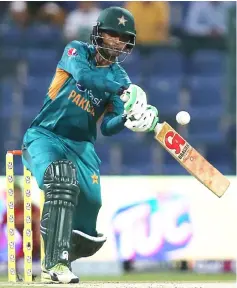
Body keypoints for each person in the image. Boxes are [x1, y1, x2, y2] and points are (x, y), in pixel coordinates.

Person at [22, 6, 159, 284]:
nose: (117, 41)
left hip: (82, 146)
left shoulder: (121, 78)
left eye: (123, 37)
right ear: (98, 33)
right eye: (111, 34)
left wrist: (128, 117)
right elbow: (84, 77)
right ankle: (54, 265)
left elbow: (108, 128)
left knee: (91, 206)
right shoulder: (75, 51)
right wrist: (123, 91)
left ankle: (63, 256)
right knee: (61, 178)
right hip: (45, 135)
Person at [2, 184, 41, 261]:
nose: (15, 197)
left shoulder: (30, 207)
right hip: (22, 247)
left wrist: (27, 219)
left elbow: (40, 217)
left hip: (36, 244)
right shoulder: (8, 213)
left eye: (17, 194)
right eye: (13, 195)